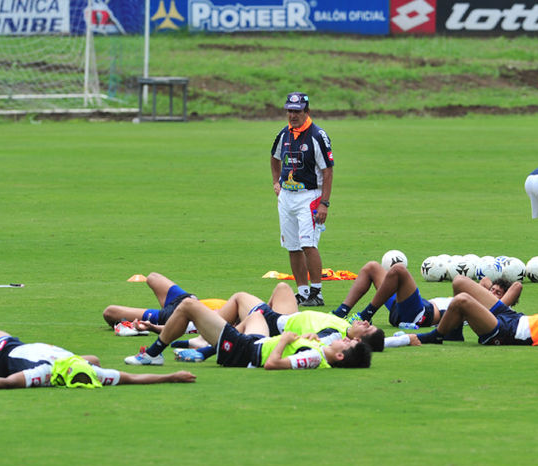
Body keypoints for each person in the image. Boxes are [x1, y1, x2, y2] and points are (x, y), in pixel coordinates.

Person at [168, 282, 402, 361]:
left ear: (357, 340)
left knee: (241, 298)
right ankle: (219, 331)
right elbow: (386, 342)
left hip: (276, 323)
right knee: (282, 287)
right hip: (287, 316)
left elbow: (314, 341)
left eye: (368, 328)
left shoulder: (335, 337)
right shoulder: (347, 330)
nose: (366, 322)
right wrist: (409, 338)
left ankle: (198, 333)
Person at [124, 297, 371, 370]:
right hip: (256, 341)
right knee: (256, 315)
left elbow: (273, 364)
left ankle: (153, 353)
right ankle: (205, 350)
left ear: (340, 357)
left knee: (189, 305)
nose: (346, 341)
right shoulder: (321, 349)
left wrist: (284, 340)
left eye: (347, 346)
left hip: (244, 352)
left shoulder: (315, 358)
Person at [0, 328, 197, 390]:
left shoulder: (44, 374)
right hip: (38, 350)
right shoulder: (94, 372)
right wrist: (171, 376)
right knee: (95, 356)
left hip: (9, 354)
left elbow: (8, 382)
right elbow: (134, 378)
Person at [330, 261, 519, 333]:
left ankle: (365, 315)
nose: (492, 294)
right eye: (493, 290)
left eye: (498, 294)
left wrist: (492, 293)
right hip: (409, 308)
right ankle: (340, 313)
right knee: (372, 267)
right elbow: (485, 280)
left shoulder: (496, 311)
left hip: (422, 315)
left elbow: (516, 287)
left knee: (398, 271)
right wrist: (487, 286)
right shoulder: (478, 295)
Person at [271, 91, 334, 307]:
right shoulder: (284, 134)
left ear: (306, 111)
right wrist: (276, 182)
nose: (292, 115)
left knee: (308, 245)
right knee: (292, 246)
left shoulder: (317, 135)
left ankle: (317, 292)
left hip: (309, 196)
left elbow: (328, 171)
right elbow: (274, 158)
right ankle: (302, 291)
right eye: (289, 110)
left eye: (297, 111)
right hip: (287, 197)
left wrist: (324, 203)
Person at [101, 272, 225, 335]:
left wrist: (151, 327)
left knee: (109, 312)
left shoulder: (222, 328)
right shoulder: (240, 309)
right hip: (187, 299)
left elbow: (178, 328)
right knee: (153, 277)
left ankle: (125, 325)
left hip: (172, 316)